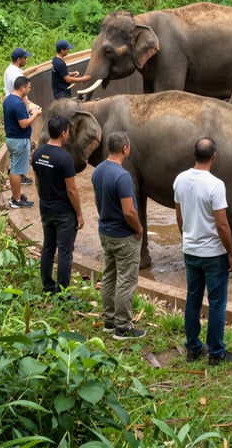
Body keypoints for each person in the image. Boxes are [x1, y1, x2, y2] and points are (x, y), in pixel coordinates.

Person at [174, 137, 232, 365]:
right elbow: (222, 224)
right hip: (213, 253)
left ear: (194, 155)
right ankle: (216, 353)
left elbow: (179, 215)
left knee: (192, 299)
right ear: (214, 156)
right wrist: (231, 252)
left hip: (191, 250)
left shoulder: (180, 180)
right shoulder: (216, 185)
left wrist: (186, 238)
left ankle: (193, 348)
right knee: (216, 303)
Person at [92, 131, 145, 339]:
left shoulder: (98, 171)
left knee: (109, 276)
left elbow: (98, 201)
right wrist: (139, 228)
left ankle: (109, 320)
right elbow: (129, 211)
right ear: (125, 149)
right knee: (126, 280)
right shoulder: (122, 177)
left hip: (105, 232)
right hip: (123, 235)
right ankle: (123, 327)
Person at [32, 115, 84, 295]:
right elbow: (72, 190)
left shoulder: (38, 153)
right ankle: (62, 292)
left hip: (46, 208)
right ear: (63, 134)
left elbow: (37, 182)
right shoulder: (65, 158)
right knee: (64, 252)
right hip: (64, 213)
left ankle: (47, 287)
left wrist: (44, 200)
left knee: (48, 247)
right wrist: (79, 214)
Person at [3, 75, 42, 208]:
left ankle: (16, 196)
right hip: (19, 140)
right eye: (29, 87)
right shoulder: (19, 104)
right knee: (16, 170)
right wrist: (35, 115)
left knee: (14, 168)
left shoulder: (8, 100)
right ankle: (17, 200)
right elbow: (24, 124)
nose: (30, 90)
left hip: (11, 138)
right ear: (23, 87)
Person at [4, 47, 34, 185]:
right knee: (18, 160)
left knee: (15, 159)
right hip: (18, 132)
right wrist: (30, 110)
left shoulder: (9, 70)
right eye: (24, 57)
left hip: (11, 110)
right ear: (18, 59)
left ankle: (17, 174)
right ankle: (19, 178)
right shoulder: (16, 75)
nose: (26, 59)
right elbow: (24, 124)